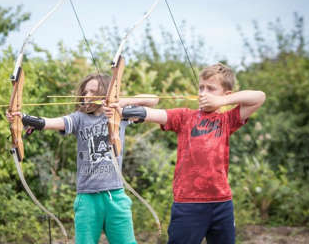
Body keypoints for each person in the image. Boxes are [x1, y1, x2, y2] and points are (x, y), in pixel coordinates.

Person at [104, 63, 266, 244]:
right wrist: (121, 108)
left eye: (211, 89)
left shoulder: (227, 120)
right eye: (201, 87)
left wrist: (220, 102)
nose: (203, 93)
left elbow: (259, 97)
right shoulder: (185, 117)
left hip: (222, 203)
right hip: (188, 203)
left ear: (226, 95)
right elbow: (153, 114)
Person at [6, 73, 158, 244]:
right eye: (85, 92)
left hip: (115, 196)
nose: (87, 96)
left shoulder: (119, 115)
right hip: (87, 199)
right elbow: (49, 122)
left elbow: (153, 99)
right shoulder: (79, 118)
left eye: (93, 92)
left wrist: (120, 103)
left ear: (105, 93)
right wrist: (23, 118)